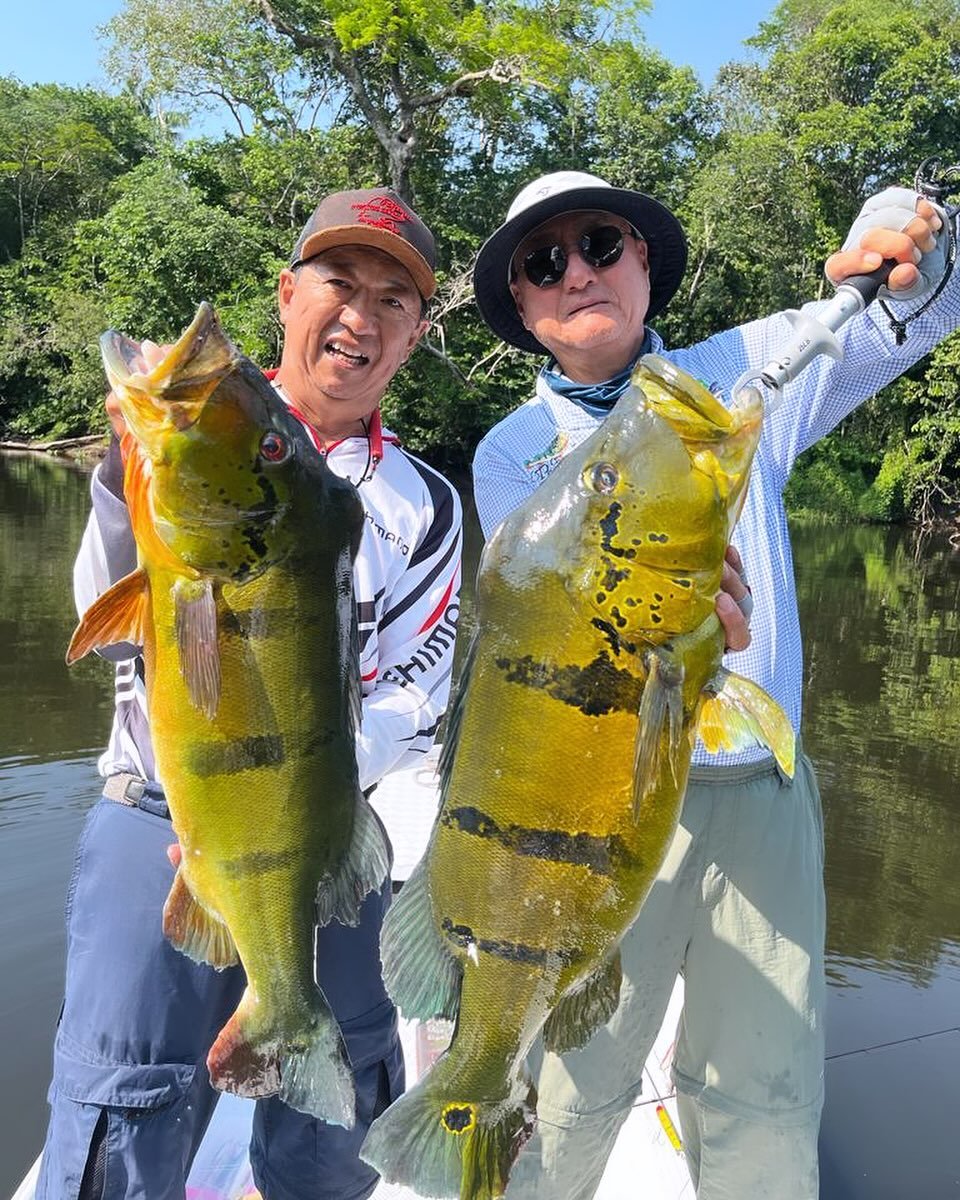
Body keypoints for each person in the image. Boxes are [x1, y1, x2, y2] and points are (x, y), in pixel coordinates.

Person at [470, 170, 955, 1199]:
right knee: (573, 1086)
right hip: (602, 806)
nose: (577, 273)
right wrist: (678, 626)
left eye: (602, 242)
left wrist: (903, 223)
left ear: (645, 261)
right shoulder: (509, 457)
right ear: (522, 305)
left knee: (766, 1102)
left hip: (764, 798)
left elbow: (922, 312)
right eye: (543, 263)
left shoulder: (739, 373)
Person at [36, 188, 463, 1200]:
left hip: (327, 831)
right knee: (119, 1105)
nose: (361, 315)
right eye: (339, 282)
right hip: (157, 815)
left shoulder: (427, 506)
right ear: (288, 292)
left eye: (393, 299)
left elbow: (419, 695)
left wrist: (287, 807)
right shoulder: (196, 438)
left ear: (415, 331)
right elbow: (107, 627)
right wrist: (126, 469)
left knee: (343, 1100)